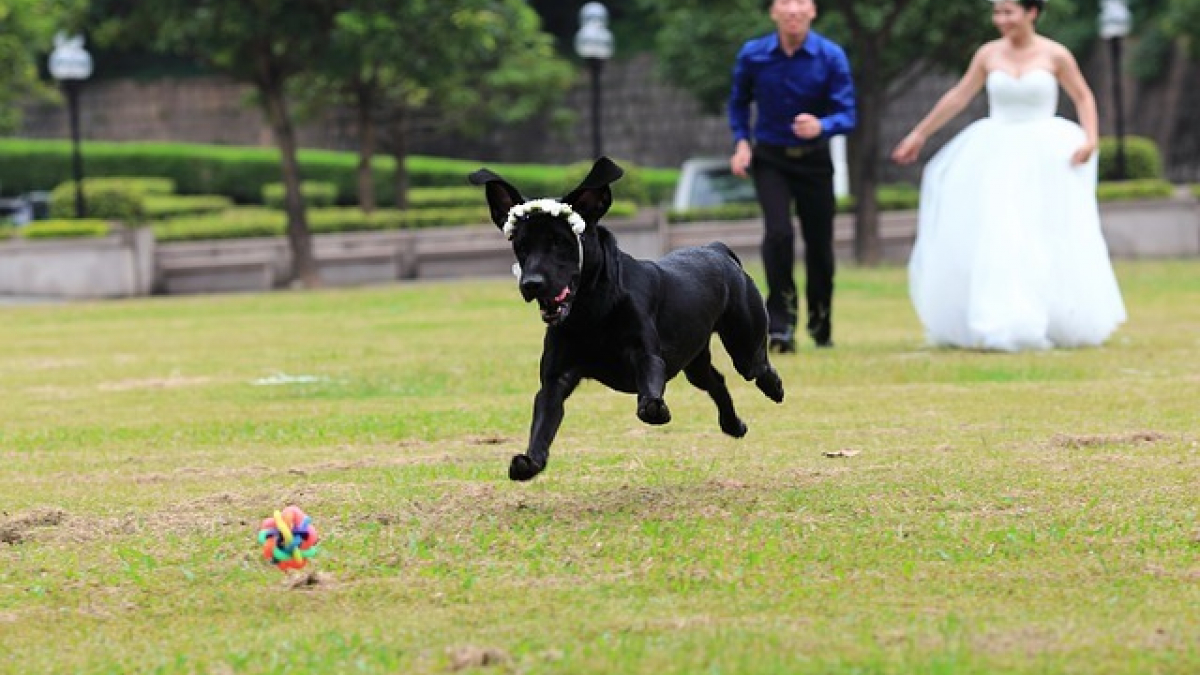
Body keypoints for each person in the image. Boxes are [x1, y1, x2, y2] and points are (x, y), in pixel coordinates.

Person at [892, 0, 1126, 352]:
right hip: (997, 152)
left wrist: (1091, 138)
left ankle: (1059, 316)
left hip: (1045, 153)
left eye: (1009, 12)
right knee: (1001, 231)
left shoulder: (1055, 54)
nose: (1001, 20)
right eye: (996, 12)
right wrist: (920, 133)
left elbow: (1083, 96)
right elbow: (958, 97)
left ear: (1031, 13)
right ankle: (1003, 318)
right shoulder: (988, 54)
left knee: (1045, 231)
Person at [728, 0, 857, 352]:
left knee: (819, 245)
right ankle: (780, 325)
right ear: (773, 11)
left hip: (815, 160)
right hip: (770, 159)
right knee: (778, 234)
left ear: (813, 10)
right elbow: (738, 103)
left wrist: (822, 125)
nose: (793, 10)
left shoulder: (830, 56)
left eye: (801, 2)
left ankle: (820, 321)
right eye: (785, 2)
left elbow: (847, 114)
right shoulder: (753, 55)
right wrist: (741, 143)